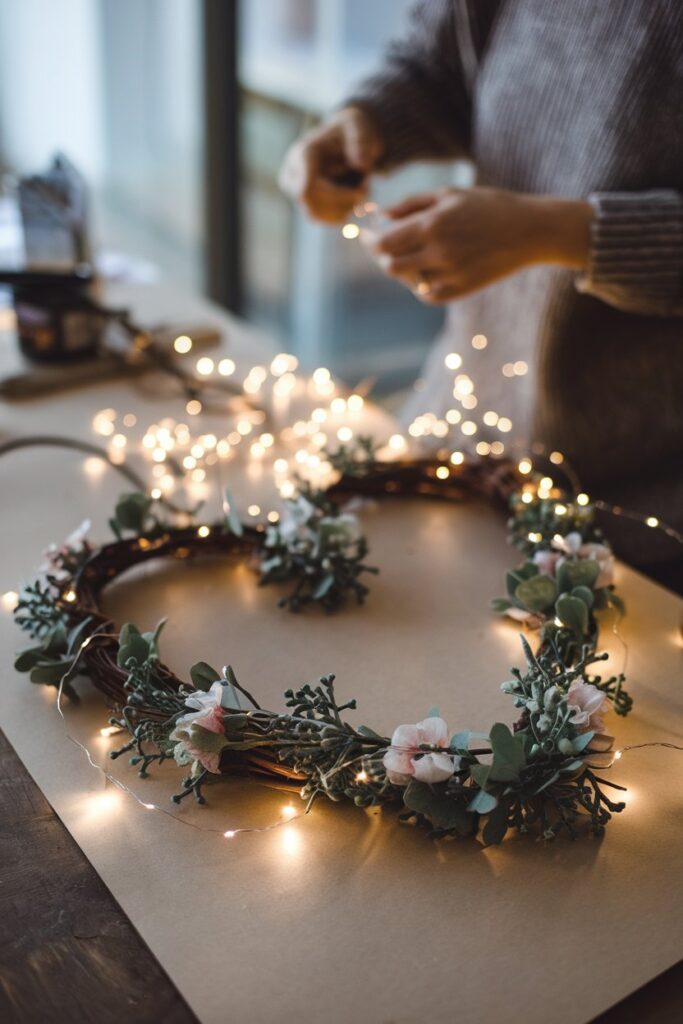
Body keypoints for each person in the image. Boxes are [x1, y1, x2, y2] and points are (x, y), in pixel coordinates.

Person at [280, 0, 683, 591]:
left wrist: (556, 232)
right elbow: (438, 63)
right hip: (466, 440)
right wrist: (367, 119)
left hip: (646, 522)